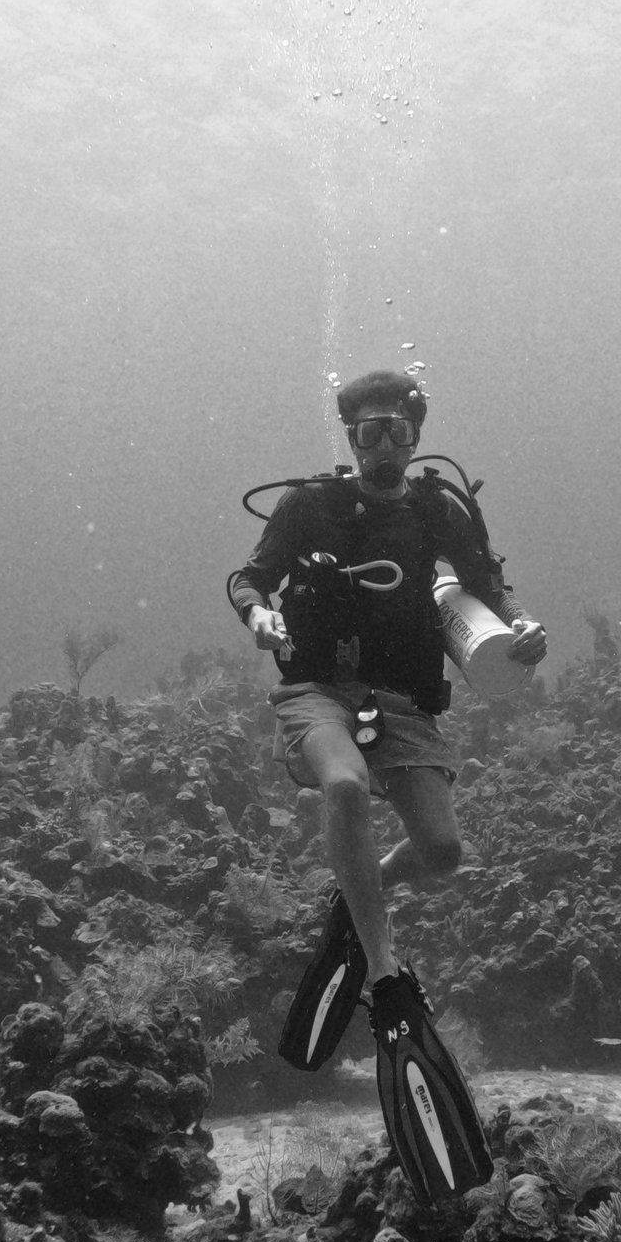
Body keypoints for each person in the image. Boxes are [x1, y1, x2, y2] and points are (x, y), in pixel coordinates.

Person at [225, 369, 547, 1198]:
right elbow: (249, 577)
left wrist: (518, 630)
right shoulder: (309, 507)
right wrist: (259, 615)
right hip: (316, 692)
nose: (383, 447)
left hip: (403, 703)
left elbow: (486, 586)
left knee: (443, 852)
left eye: (397, 431)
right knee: (344, 789)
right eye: (366, 432)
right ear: (348, 435)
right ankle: (382, 973)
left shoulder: (441, 508)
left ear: (415, 431)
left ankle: (354, 895)